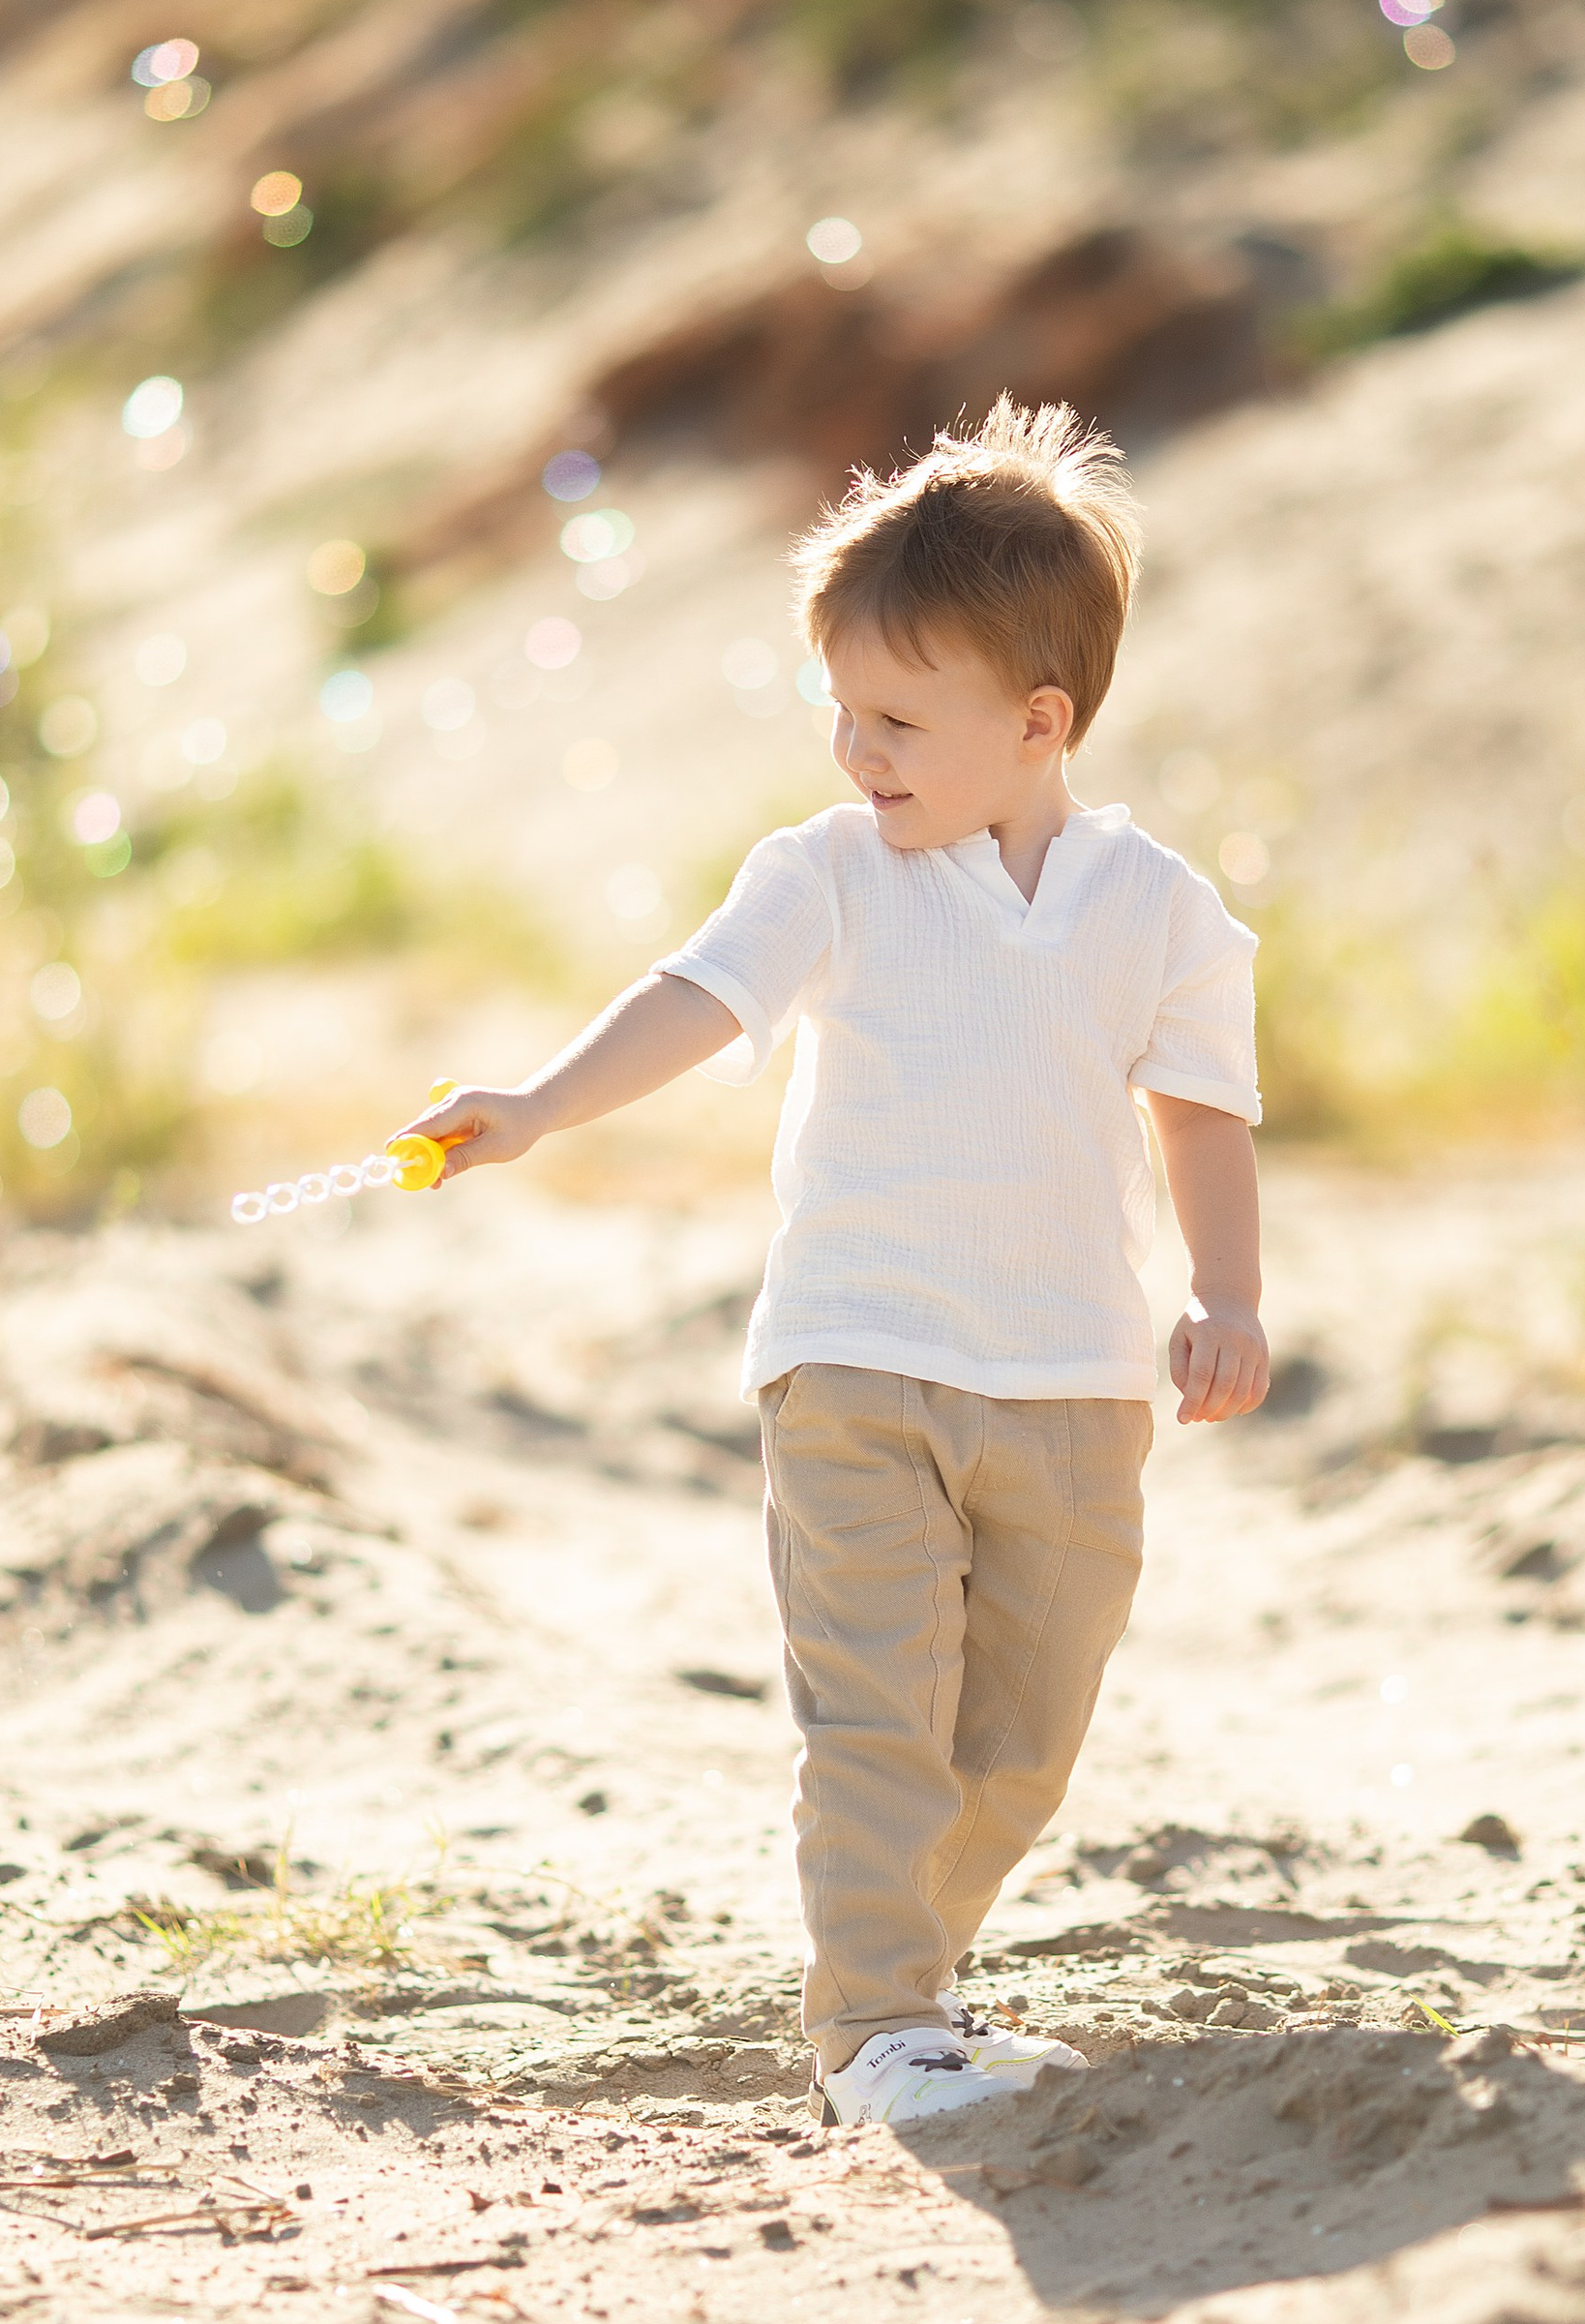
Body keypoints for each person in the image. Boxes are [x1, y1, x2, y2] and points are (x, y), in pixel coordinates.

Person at [400, 396, 1270, 2126]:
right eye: (840, 713)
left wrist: (1226, 1294)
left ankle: (907, 1984)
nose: (854, 754)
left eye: (894, 720)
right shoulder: (830, 876)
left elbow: (1204, 1113)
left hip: (1077, 1385)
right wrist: (546, 1103)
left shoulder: (1159, 908)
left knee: (1020, 1739)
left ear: (1040, 723)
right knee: (875, 1715)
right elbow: (696, 994)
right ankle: (877, 2029)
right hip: (857, 1361)